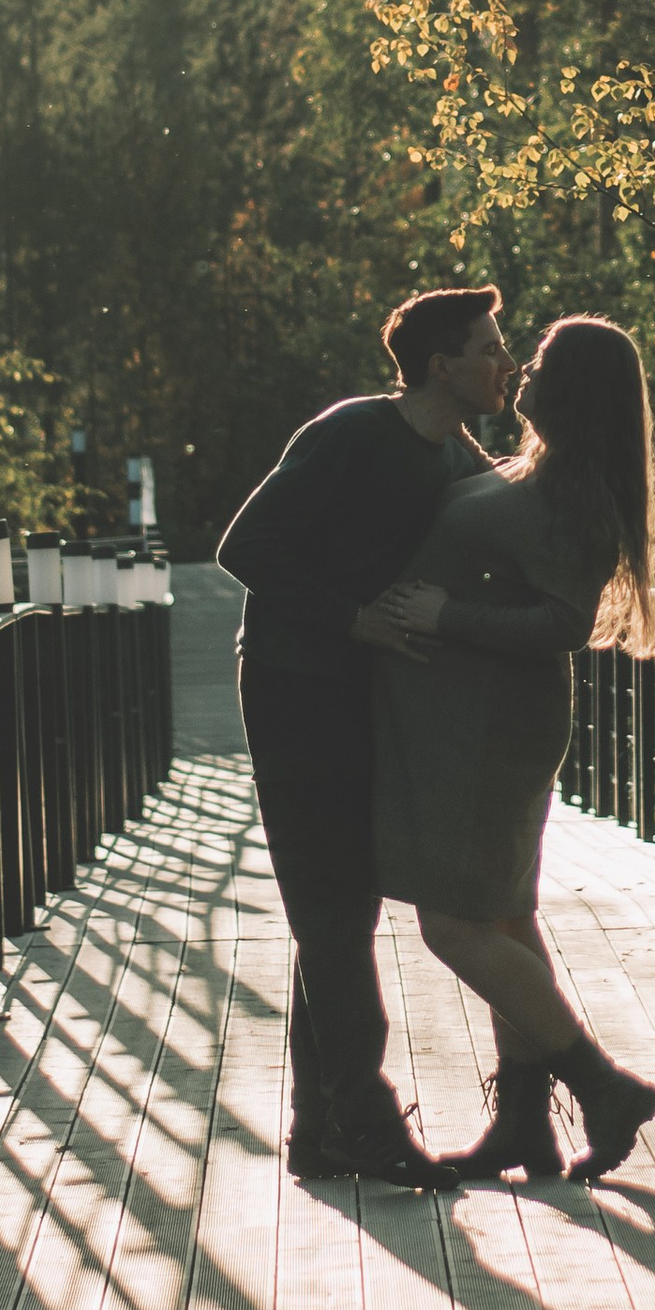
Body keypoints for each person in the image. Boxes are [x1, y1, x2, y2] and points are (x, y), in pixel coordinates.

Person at [360, 312, 655, 1184]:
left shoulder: (571, 500)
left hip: (491, 733)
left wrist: (442, 616)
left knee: (452, 925)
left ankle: (600, 1085)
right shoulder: (529, 474)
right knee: (503, 917)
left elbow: (564, 625)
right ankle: (524, 1126)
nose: (524, 372)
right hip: (465, 722)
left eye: (540, 362)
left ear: (571, 390)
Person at [214, 284, 511, 1187]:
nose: (507, 364)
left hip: (367, 701)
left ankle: (320, 1128)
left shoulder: (459, 463)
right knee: (334, 911)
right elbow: (247, 547)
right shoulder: (350, 432)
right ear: (439, 365)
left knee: (340, 912)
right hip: (295, 686)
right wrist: (351, 620)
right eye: (491, 348)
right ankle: (366, 1118)